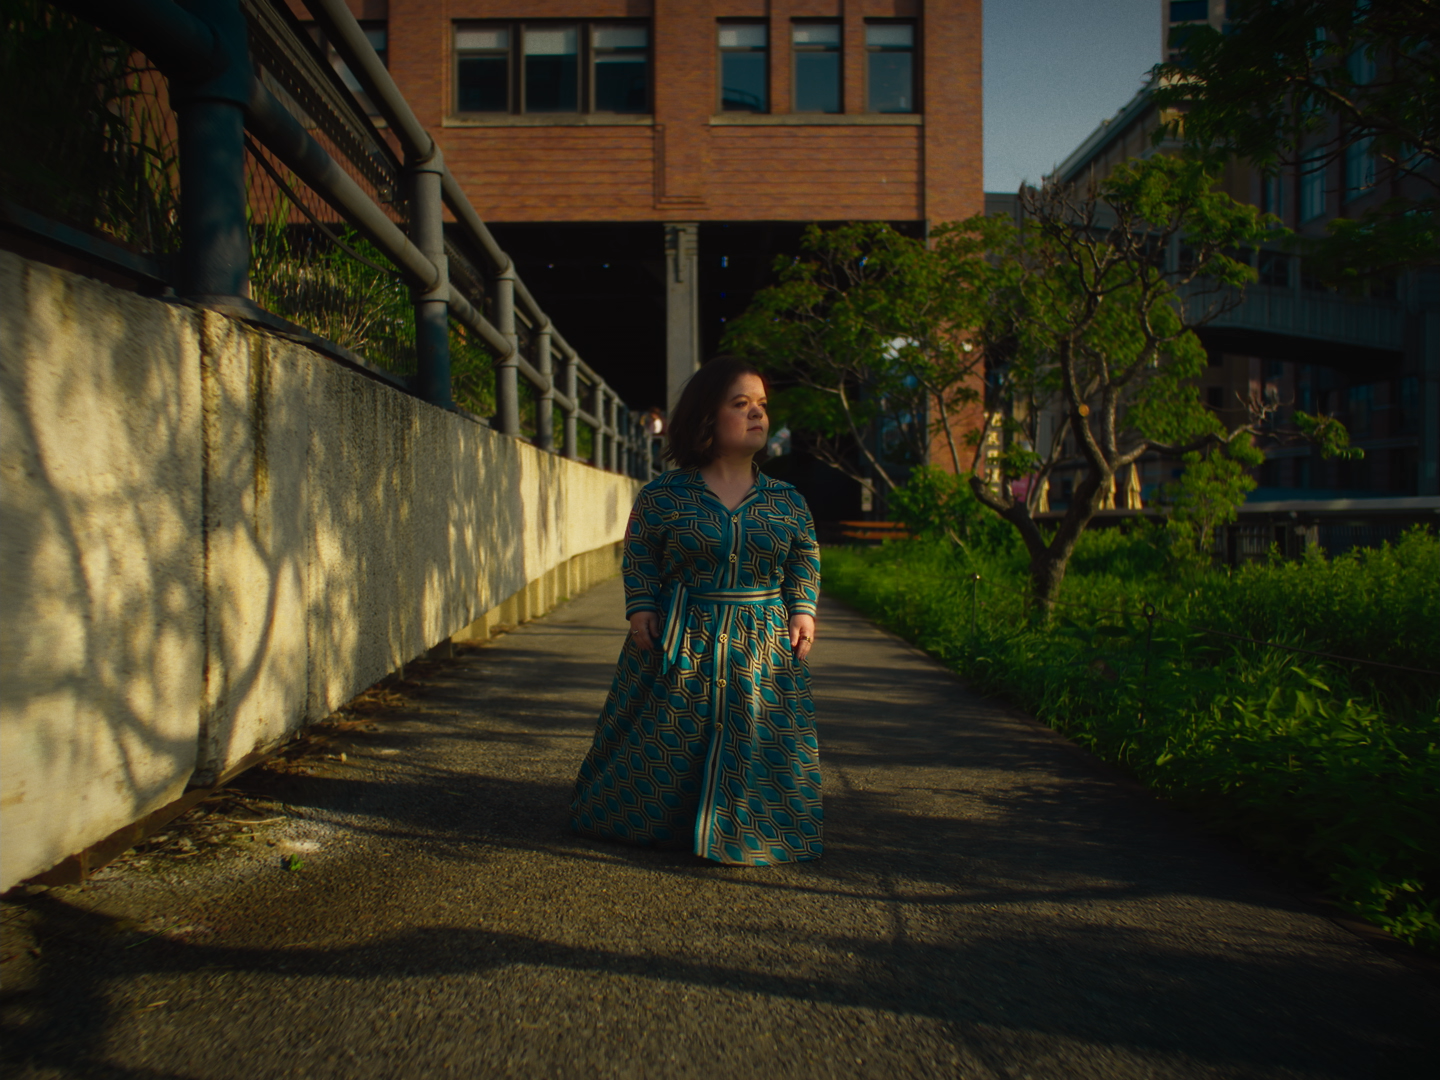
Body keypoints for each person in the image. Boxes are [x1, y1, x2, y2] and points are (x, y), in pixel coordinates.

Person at [570, 357, 822, 866]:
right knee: (667, 733)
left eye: (762, 405)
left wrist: (803, 609)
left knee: (755, 733)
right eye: (741, 404)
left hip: (760, 644)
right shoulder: (664, 495)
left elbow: (804, 557)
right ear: (707, 417)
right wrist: (640, 607)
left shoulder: (787, 501)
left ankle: (754, 830)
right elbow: (639, 553)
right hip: (680, 636)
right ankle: (657, 823)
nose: (757, 414)